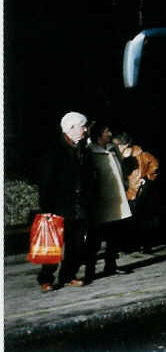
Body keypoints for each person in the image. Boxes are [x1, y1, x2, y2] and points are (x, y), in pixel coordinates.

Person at [37, 112, 95, 291]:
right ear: (70, 128)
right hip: (59, 205)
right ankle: (46, 279)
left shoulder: (84, 149)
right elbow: (46, 181)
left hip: (78, 206)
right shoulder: (55, 149)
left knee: (77, 244)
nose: (85, 130)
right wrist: (46, 208)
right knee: (52, 244)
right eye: (82, 126)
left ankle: (69, 275)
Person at [85, 122, 131, 280]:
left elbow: (121, 169)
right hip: (100, 202)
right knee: (94, 240)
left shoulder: (113, 149)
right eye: (107, 131)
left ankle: (111, 266)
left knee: (114, 237)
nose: (110, 133)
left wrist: (125, 184)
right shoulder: (90, 152)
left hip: (116, 199)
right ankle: (89, 270)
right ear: (99, 136)